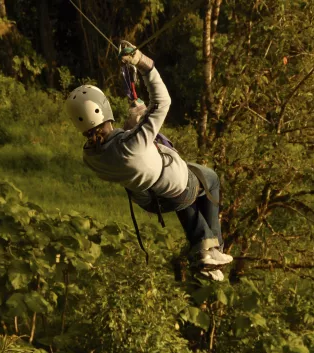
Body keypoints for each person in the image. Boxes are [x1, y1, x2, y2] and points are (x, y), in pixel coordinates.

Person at [65, 40, 233, 281]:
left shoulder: (90, 156)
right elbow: (162, 102)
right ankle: (213, 249)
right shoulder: (133, 142)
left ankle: (204, 254)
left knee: (180, 197)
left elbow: (118, 146)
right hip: (176, 186)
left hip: (151, 201)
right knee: (210, 180)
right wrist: (144, 63)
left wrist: (132, 125)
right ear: (104, 108)